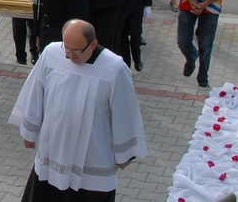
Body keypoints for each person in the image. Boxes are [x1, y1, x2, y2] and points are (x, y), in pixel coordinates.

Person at [9, 19, 147, 201]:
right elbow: (36, 91)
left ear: (93, 44)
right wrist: (30, 130)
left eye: (76, 50)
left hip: (93, 156)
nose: (70, 56)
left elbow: (124, 113)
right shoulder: (51, 54)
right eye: (67, 48)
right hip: (54, 151)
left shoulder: (114, 69)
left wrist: (124, 154)